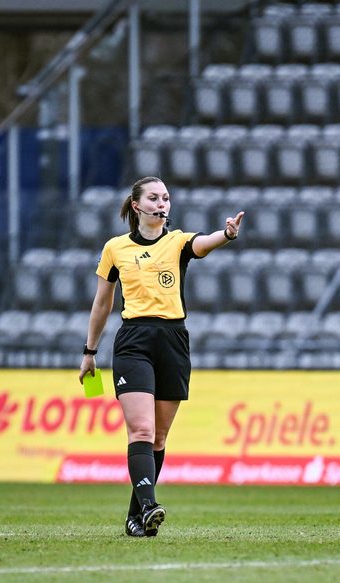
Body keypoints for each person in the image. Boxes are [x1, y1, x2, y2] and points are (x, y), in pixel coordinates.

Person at [78, 176, 243, 538]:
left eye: (166, 198)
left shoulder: (178, 241)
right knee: (141, 429)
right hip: (134, 342)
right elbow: (102, 303)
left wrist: (226, 234)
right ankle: (151, 505)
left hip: (173, 340)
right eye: (154, 198)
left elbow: (203, 244)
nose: (162, 204)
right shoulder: (115, 249)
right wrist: (89, 352)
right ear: (137, 205)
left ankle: (135, 516)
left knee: (159, 438)